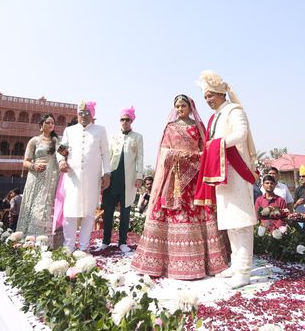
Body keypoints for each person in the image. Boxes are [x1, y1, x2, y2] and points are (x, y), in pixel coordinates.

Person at [132, 94, 230, 279]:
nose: (179, 109)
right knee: (170, 212)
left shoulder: (198, 127)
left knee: (197, 212)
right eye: (177, 106)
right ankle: (163, 263)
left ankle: (200, 263)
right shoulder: (170, 127)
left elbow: (206, 149)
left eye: (183, 105)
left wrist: (195, 157)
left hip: (194, 177)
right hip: (174, 178)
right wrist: (177, 155)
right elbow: (164, 151)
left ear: (190, 107)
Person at [194, 71, 261, 288]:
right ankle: (235, 263)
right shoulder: (215, 117)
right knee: (230, 222)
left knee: (241, 223)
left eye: (210, 96)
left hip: (237, 172)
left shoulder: (234, 110)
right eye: (205, 97)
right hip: (221, 173)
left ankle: (244, 270)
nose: (207, 100)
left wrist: (216, 144)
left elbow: (241, 134)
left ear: (222, 93)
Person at [57, 101, 111, 251]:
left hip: (92, 178)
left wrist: (107, 173)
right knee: (70, 213)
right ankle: (68, 247)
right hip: (73, 177)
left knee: (88, 213)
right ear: (77, 114)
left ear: (92, 115)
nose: (84, 116)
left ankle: (83, 247)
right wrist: (61, 161)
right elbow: (61, 151)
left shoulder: (100, 130)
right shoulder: (70, 130)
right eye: (81, 113)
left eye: (87, 113)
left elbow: (105, 153)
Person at [96, 106, 144, 253]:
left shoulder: (137, 137)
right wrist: (105, 175)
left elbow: (140, 158)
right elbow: (106, 156)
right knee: (108, 211)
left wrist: (139, 177)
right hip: (112, 178)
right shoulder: (112, 137)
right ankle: (105, 241)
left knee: (125, 212)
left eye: (127, 119)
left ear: (132, 120)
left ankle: (122, 242)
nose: (125, 122)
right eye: (122, 119)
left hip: (128, 180)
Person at [17, 114, 62, 245]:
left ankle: (48, 242)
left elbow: (66, 154)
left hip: (52, 179)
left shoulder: (57, 140)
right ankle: (28, 239)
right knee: (33, 205)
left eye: (52, 123)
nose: (50, 125)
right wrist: (34, 166)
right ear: (41, 125)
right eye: (47, 122)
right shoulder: (34, 141)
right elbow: (25, 162)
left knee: (49, 206)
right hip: (36, 178)